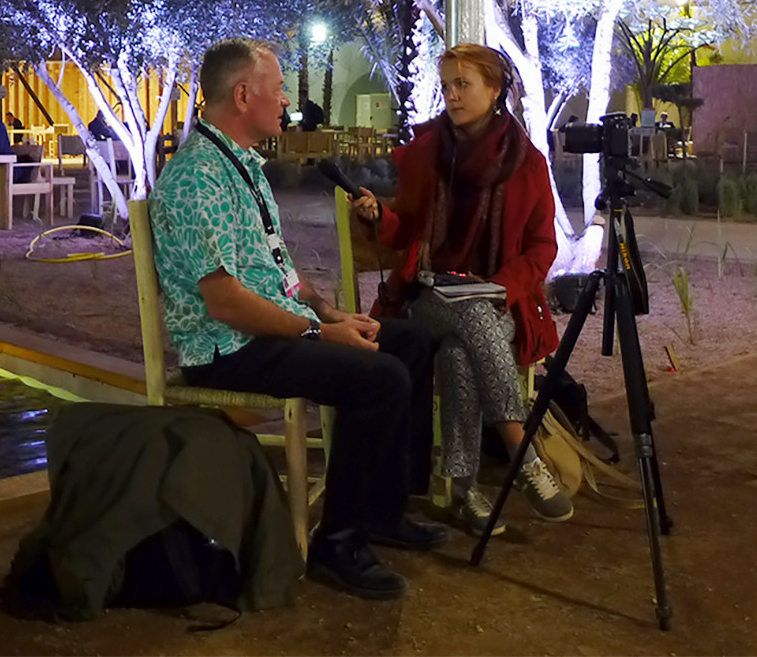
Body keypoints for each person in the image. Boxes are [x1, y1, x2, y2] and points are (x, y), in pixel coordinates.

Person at [150, 38, 444, 602]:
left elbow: (275, 274)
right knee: (377, 376)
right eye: (280, 88)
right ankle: (338, 542)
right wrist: (319, 332)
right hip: (227, 348)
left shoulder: (243, 167)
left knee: (406, 341)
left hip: (265, 330)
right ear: (243, 95)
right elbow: (228, 303)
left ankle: (382, 512)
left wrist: (331, 312)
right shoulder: (197, 179)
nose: (287, 100)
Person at [351, 43, 573, 535]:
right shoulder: (428, 152)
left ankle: (463, 490)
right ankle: (522, 451)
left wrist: (498, 287)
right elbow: (408, 231)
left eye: (463, 84)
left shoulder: (527, 162)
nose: (451, 94)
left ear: (495, 91)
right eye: (446, 84)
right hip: (426, 294)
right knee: (469, 321)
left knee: (458, 351)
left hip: (494, 298)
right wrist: (379, 217)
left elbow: (541, 248)